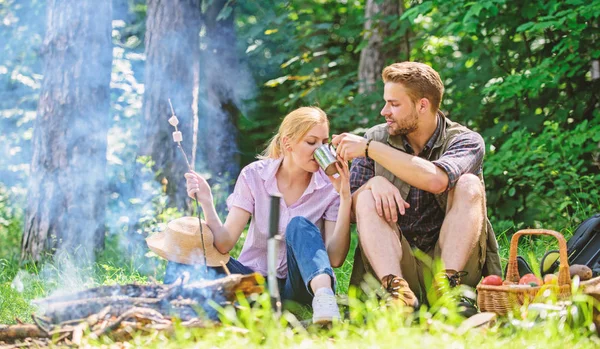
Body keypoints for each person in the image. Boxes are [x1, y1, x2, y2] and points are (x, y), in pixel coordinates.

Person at [331, 62, 502, 310]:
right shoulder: (376, 137)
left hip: (455, 265)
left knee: (469, 184)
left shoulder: (466, 140)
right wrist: (373, 185)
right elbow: (349, 211)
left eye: (394, 104)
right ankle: (399, 296)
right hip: (396, 263)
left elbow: (436, 180)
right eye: (386, 102)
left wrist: (370, 149)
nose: (384, 111)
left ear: (422, 105)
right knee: (366, 197)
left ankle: (449, 295)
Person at [181, 106, 351, 324]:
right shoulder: (254, 175)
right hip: (254, 283)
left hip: (299, 288)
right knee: (194, 249)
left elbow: (335, 258)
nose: (320, 150)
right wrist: (207, 201)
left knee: (299, 224)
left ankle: (325, 301)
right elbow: (224, 244)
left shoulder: (329, 187)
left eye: (324, 142)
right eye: (311, 142)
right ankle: (181, 301)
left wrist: (345, 196)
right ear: (288, 143)